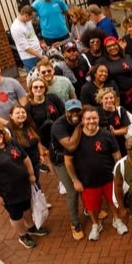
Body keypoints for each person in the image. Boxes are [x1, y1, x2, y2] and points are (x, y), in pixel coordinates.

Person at [0, 121, 44, 248]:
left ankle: (31, 227)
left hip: (23, 186)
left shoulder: (11, 142)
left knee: (26, 208)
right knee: (16, 214)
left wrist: (31, 174)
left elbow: (25, 158)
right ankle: (23, 235)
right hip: (8, 192)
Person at [64, 107, 128, 241]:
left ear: (99, 119)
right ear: (82, 120)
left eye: (94, 118)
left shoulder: (107, 135)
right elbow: (68, 161)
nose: (91, 121)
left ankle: (117, 220)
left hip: (109, 178)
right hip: (87, 181)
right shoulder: (76, 139)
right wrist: (75, 180)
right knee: (92, 208)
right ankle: (96, 224)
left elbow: (117, 155)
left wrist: (119, 174)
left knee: (113, 202)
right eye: (88, 119)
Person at [49, 100, 88, 240]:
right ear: (66, 112)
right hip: (61, 160)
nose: (75, 114)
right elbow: (70, 146)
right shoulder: (58, 126)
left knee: (85, 182)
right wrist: (78, 127)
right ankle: (75, 223)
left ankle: (88, 208)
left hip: (77, 157)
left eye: (77, 110)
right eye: (71, 111)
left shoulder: (84, 117)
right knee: (73, 191)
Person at [9, 6, 45, 72]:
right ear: (26, 15)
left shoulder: (27, 21)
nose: (32, 19)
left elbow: (32, 35)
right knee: (35, 77)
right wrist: (40, 56)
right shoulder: (16, 28)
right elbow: (25, 48)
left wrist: (40, 43)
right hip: (29, 58)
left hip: (38, 52)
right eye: (31, 17)